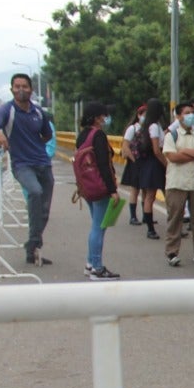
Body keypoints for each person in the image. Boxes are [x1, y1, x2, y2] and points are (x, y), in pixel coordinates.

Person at [0, 73, 56, 266]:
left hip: (43, 163)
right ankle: (33, 244)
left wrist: (34, 146)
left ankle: (32, 249)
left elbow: (47, 135)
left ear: (31, 90)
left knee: (44, 211)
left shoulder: (39, 112)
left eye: (24, 86)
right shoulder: (6, 110)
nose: (21, 89)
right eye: (17, 86)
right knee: (34, 192)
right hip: (22, 165)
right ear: (11, 89)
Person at [162, 100, 194, 266]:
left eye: (192, 112)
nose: (191, 115)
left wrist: (184, 151)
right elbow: (172, 157)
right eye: (186, 112)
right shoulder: (171, 135)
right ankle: (172, 252)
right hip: (176, 183)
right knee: (175, 219)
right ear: (178, 116)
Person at [77, 102, 121, 280]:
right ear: (97, 117)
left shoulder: (82, 135)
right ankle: (97, 267)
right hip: (100, 187)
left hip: (87, 187)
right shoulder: (98, 135)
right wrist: (112, 190)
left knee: (96, 225)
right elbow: (104, 164)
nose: (106, 118)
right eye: (103, 115)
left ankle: (90, 263)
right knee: (99, 228)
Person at [134, 99, 168, 240]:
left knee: (150, 196)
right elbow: (156, 149)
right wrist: (167, 164)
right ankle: (150, 229)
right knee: (151, 196)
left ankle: (151, 228)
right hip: (155, 163)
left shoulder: (149, 125)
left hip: (148, 163)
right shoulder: (154, 126)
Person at [120, 105, 146, 225]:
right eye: (143, 114)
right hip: (135, 162)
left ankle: (146, 215)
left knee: (146, 189)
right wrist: (134, 160)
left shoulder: (149, 128)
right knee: (135, 189)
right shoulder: (133, 129)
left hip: (146, 162)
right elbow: (125, 145)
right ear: (138, 115)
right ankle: (133, 216)